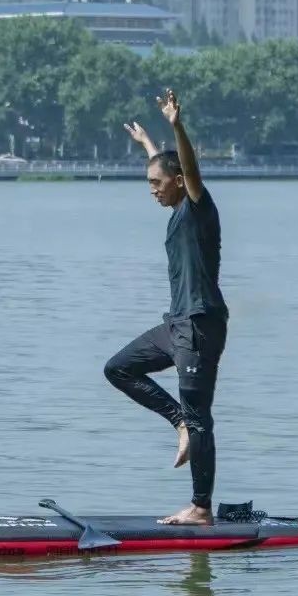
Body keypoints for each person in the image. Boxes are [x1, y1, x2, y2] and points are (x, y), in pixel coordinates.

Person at [103, 90, 229, 526]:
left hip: (200, 326)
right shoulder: (177, 207)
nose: (152, 191)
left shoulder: (197, 205)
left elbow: (187, 167)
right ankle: (177, 423)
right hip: (176, 325)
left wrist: (177, 126)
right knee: (118, 368)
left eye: (156, 183)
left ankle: (201, 508)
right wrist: (149, 147)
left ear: (178, 181)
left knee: (201, 418)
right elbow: (169, 166)